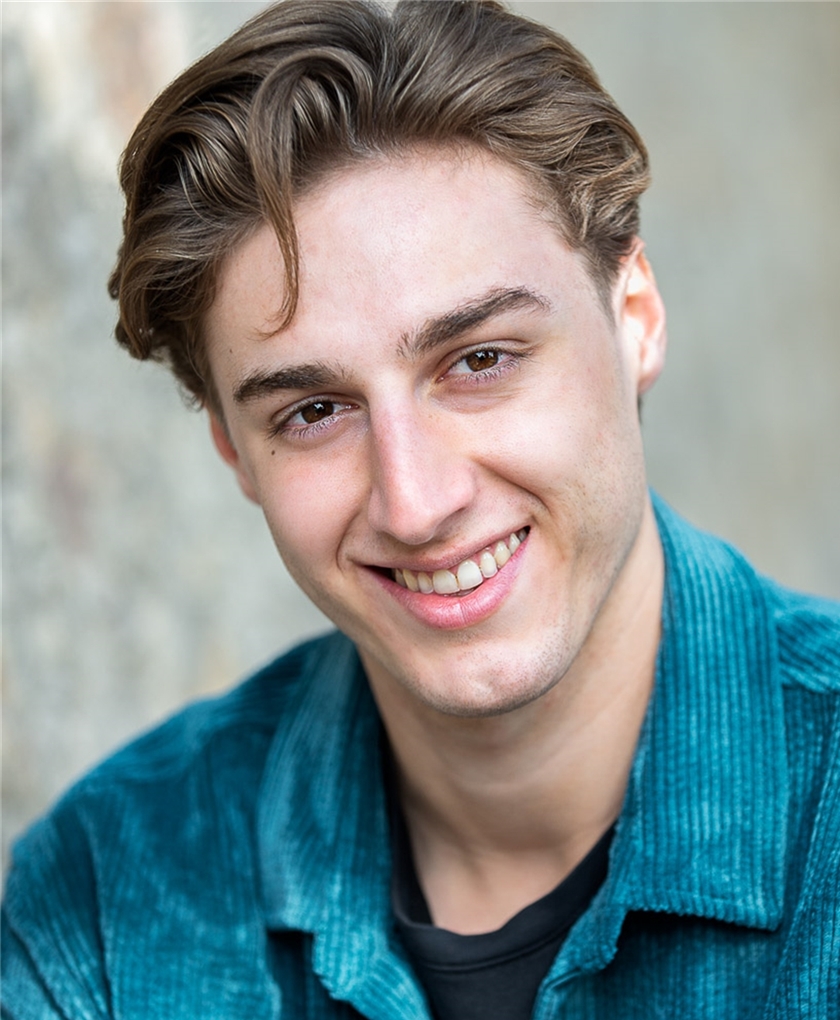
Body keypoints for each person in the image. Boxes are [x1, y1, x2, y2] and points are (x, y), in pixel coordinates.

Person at [3, 1, 838, 1017]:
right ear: (234, 450)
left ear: (636, 319)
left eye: (479, 360)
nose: (416, 501)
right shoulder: (106, 906)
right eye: (315, 411)